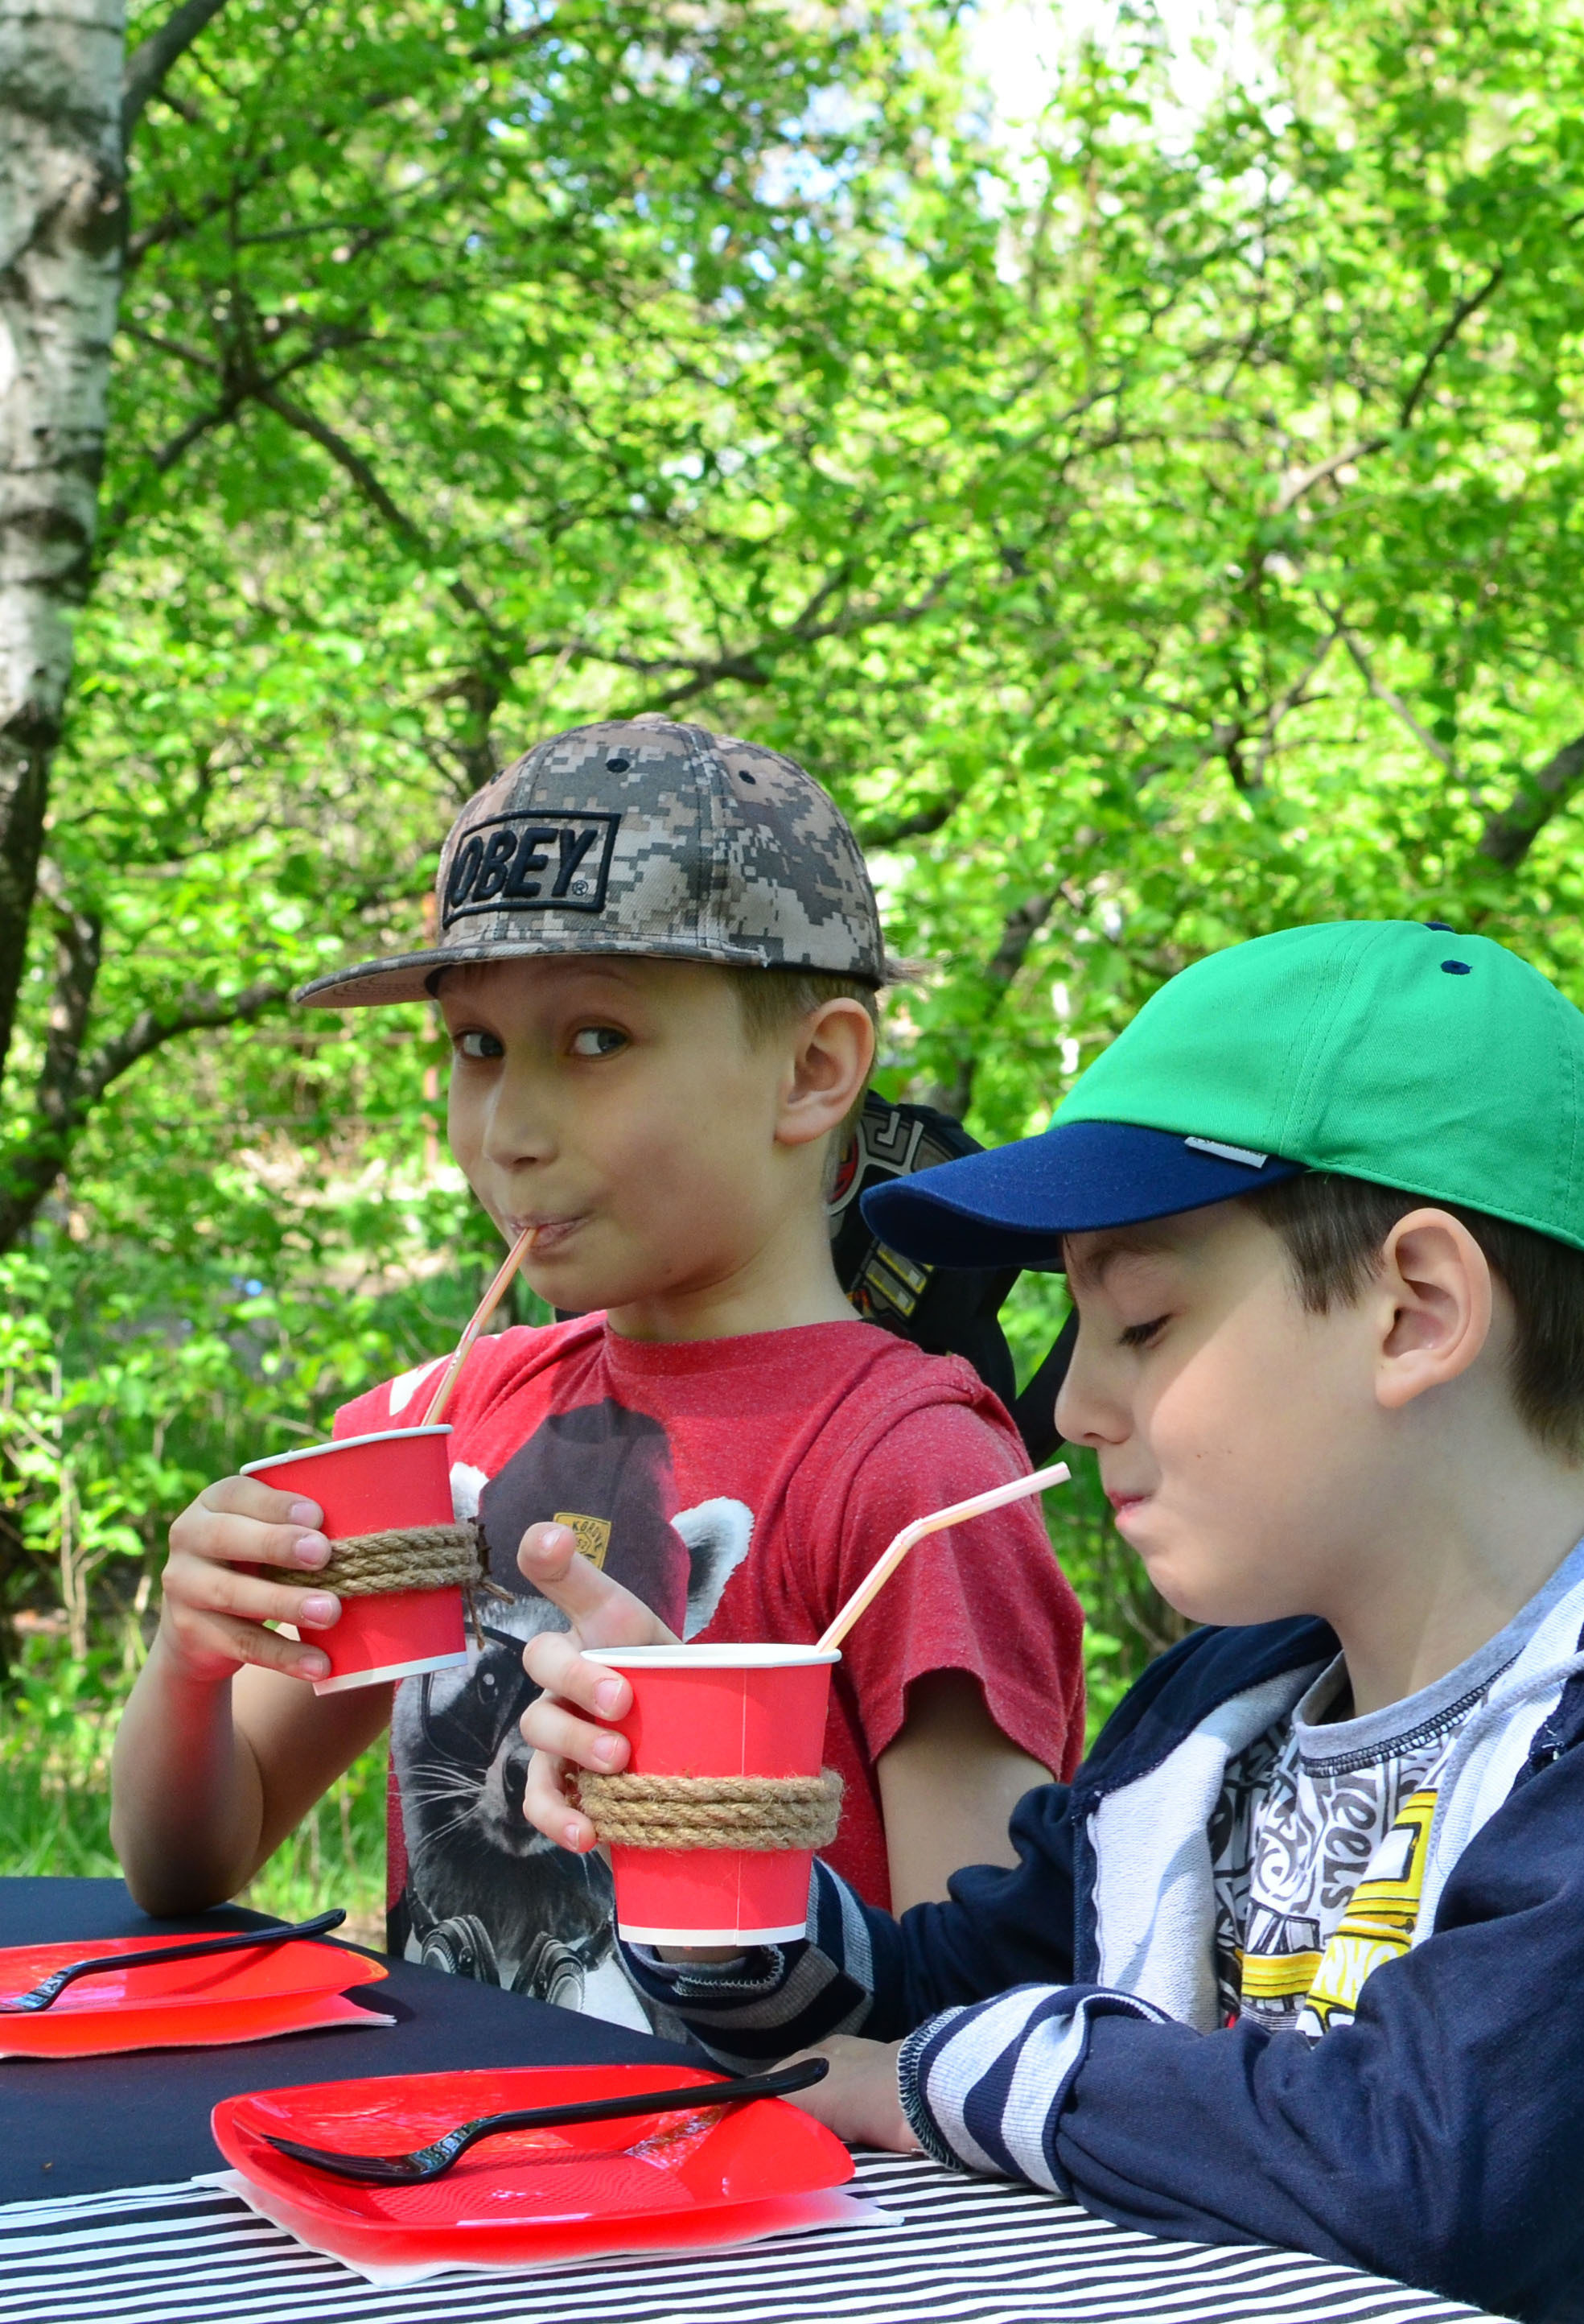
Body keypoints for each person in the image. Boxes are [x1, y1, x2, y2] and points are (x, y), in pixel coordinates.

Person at [519, 917, 1584, 2317]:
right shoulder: (1214, 1721)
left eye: (1139, 1322)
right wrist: (705, 1838)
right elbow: (927, 1993)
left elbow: (1429, 2169)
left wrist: (922, 2088)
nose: (1072, 1409)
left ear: (1414, 1312)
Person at [110, 715, 1084, 2028]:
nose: (508, 1130)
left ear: (812, 1071)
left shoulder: (911, 1469)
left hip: (764, 2222)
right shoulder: (442, 1424)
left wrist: (697, 1813)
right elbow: (191, 1865)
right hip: (447, 2178)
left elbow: (989, 2010)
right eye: (476, 1047)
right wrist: (191, 1654)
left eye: (595, 1042)